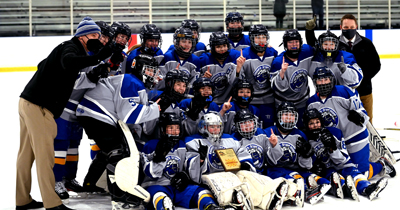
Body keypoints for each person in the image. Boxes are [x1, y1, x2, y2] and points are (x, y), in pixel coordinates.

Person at [17, 16, 113, 210]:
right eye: (94, 34)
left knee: (25, 156)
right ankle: (52, 204)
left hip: (27, 102)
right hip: (39, 107)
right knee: (46, 157)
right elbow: (70, 62)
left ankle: (22, 200)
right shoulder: (71, 48)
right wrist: (98, 57)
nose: (98, 38)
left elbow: (43, 65)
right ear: (83, 36)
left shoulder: (65, 48)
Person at [75, 53, 161, 208]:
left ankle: (90, 183)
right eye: (149, 70)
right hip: (96, 114)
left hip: (95, 114)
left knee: (110, 151)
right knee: (117, 153)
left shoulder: (133, 82)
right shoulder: (130, 81)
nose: (153, 75)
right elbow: (129, 114)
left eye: (154, 71)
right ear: (139, 68)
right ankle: (120, 198)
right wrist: (155, 109)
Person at [52, 20, 117, 202]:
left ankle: (69, 179)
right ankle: (56, 181)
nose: (101, 40)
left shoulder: (94, 54)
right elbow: (73, 80)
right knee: (60, 147)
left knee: (73, 147)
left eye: (102, 36)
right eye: (97, 36)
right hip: (64, 108)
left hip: (79, 110)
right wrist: (94, 74)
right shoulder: (75, 54)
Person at [306, 67, 396, 178]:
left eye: (326, 79)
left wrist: (359, 117)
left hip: (355, 137)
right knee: (340, 172)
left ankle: (381, 164)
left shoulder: (344, 91)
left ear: (332, 80)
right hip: (336, 142)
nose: (323, 83)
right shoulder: (311, 102)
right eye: (320, 80)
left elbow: (362, 112)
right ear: (315, 82)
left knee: (361, 173)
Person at [306, 14, 381, 123]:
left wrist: (360, 80)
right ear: (341, 28)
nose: (349, 30)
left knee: (366, 121)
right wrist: (309, 31)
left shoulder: (366, 43)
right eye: (346, 28)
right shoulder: (335, 43)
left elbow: (376, 65)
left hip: (364, 90)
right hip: (341, 94)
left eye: (351, 27)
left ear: (356, 26)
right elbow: (316, 46)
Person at [302, 108, 391, 201]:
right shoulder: (304, 139)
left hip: (342, 165)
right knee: (334, 177)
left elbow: (342, 160)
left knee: (357, 173)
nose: (315, 125)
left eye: (317, 122)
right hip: (328, 170)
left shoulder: (334, 133)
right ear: (306, 125)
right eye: (311, 123)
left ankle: (369, 186)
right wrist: (314, 166)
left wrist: (332, 147)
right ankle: (345, 189)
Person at [141, 112, 223, 210]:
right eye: (171, 128)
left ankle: (211, 207)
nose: (175, 132)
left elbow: (188, 165)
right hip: (157, 185)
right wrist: (158, 159)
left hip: (178, 186)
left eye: (177, 128)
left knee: (201, 191)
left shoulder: (181, 144)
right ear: (163, 129)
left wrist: (199, 161)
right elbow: (150, 174)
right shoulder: (151, 145)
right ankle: (165, 207)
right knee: (160, 196)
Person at [264, 101, 329, 205]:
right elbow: (271, 160)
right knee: (295, 179)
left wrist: (306, 154)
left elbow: (306, 166)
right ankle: (304, 192)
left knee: (320, 180)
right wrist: (274, 145)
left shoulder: (300, 135)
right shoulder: (268, 133)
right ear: (279, 116)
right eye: (286, 114)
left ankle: (313, 186)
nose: (289, 118)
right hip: (274, 169)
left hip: (294, 168)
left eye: (292, 115)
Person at [270, 29, 314, 129]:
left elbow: (318, 47)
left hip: (303, 101)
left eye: (296, 41)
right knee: (285, 131)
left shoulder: (307, 52)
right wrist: (281, 73)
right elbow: (275, 86)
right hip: (283, 103)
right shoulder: (278, 62)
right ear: (285, 44)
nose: (294, 44)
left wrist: (309, 31)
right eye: (290, 42)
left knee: (304, 131)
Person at [240, 24, 278, 128]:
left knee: (268, 128)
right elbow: (239, 80)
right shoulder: (244, 54)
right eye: (257, 37)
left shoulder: (272, 52)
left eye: (263, 37)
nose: (261, 41)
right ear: (251, 39)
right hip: (250, 100)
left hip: (268, 99)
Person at [200, 31, 242, 105]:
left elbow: (237, 81)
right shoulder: (204, 59)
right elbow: (197, 85)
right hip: (210, 102)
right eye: (218, 47)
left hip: (230, 102)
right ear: (212, 47)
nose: (222, 49)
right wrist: (203, 79)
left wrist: (238, 70)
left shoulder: (235, 56)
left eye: (224, 46)